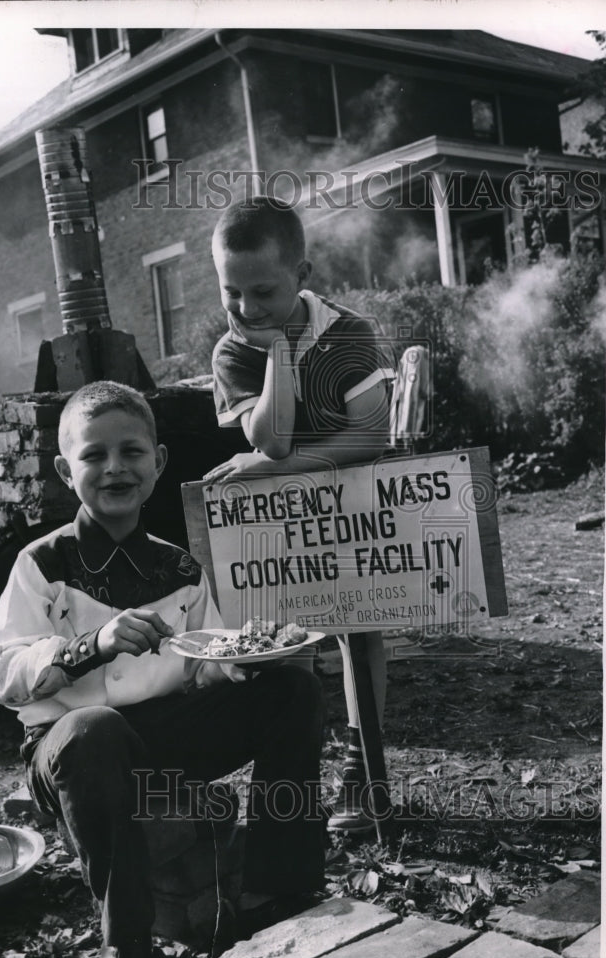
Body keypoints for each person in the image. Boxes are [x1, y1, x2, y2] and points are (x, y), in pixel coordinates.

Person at [0, 381, 326, 958]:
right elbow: (1, 673)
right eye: (94, 455)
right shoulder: (40, 564)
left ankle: (277, 890)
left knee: (294, 690)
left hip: (163, 738)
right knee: (95, 728)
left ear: (158, 462)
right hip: (70, 752)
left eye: (132, 452)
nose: (115, 468)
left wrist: (240, 665)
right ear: (67, 471)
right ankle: (127, 944)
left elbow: (199, 671)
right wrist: (90, 646)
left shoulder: (181, 568)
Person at [205, 196, 398, 832]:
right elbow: (273, 439)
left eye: (264, 291)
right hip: (282, 526)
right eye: (232, 293)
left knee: (358, 634)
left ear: (303, 275)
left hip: (354, 510)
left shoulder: (350, 333)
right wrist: (281, 351)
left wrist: (280, 466)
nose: (247, 309)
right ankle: (290, 779)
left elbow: (370, 437)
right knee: (286, 645)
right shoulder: (233, 352)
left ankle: (362, 771)